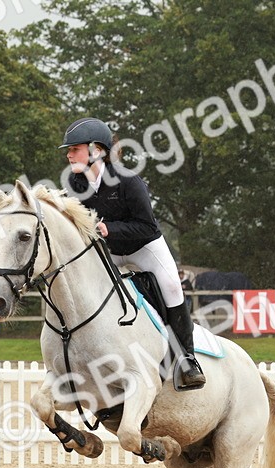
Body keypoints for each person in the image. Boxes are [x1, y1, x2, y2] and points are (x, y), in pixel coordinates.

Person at [59, 117, 205, 390]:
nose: (69, 154)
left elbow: (146, 225)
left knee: (173, 286)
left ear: (97, 150)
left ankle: (187, 359)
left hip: (144, 246)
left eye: (75, 148)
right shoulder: (75, 185)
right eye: (69, 149)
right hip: (111, 251)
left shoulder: (127, 180)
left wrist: (108, 228)